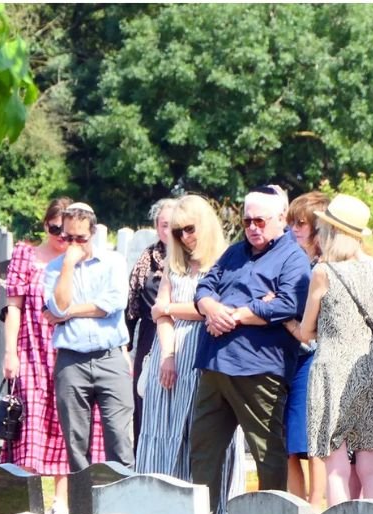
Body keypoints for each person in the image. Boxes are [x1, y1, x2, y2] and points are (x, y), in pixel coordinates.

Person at [192, 188, 311, 514]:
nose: (253, 228)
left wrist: (241, 314)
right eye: (247, 221)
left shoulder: (293, 257)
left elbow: (289, 304)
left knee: (267, 453)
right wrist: (212, 309)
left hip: (259, 369)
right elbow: (204, 286)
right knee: (203, 451)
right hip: (215, 364)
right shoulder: (234, 253)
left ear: (280, 219)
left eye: (260, 221)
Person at [284, 195, 373, 506]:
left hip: (333, 369)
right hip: (371, 365)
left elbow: (307, 330)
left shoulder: (325, 273)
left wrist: (288, 324)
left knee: (335, 464)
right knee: (372, 464)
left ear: (332, 232)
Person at [0, 197, 104, 514]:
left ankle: (62, 500)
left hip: (68, 347)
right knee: (29, 421)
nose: (63, 237)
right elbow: (14, 307)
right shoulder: (26, 256)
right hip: (31, 347)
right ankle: (28, 499)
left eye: (70, 232)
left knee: (66, 423)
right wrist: (9, 351)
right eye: (57, 229)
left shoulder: (82, 263)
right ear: (46, 225)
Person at [135, 195, 233, 480]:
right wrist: (168, 354)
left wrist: (169, 308)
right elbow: (158, 314)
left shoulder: (225, 261)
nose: (184, 237)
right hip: (171, 350)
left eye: (189, 229)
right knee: (160, 426)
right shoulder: (174, 263)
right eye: (177, 232)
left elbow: (213, 310)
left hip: (204, 350)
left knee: (199, 432)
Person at [43, 202, 135, 473]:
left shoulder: (114, 261)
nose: (73, 244)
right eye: (67, 237)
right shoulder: (55, 268)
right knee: (75, 442)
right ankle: (84, 506)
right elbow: (57, 307)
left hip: (110, 358)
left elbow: (113, 303)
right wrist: (68, 266)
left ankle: (123, 500)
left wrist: (67, 314)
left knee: (118, 436)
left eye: (80, 238)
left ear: (92, 233)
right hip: (71, 362)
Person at [282, 191, 329, 514]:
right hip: (286, 357)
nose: (295, 230)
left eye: (301, 224)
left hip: (313, 356)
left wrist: (281, 313)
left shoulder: (324, 266)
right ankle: (296, 509)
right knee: (288, 445)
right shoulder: (287, 258)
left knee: (312, 442)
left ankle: (315, 509)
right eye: (292, 223)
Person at [127, 198, 175, 452]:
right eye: (164, 225)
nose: (169, 231)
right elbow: (131, 305)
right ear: (157, 226)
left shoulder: (192, 259)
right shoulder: (146, 259)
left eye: (174, 224)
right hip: (148, 337)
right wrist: (125, 347)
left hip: (183, 335)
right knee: (144, 403)